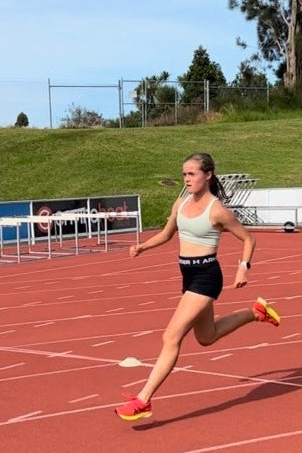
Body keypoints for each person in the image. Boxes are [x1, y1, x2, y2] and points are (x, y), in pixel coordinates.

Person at [115, 152, 280, 422]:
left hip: (207, 276)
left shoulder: (217, 210)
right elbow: (168, 234)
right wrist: (143, 247)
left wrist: (243, 267)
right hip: (188, 275)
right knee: (207, 337)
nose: (187, 179)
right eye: (184, 174)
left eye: (191, 174)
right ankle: (255, 312)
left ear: (208, 174)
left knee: (171, 337)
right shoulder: (179, 203)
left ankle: (143, 400)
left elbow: (249, 240)